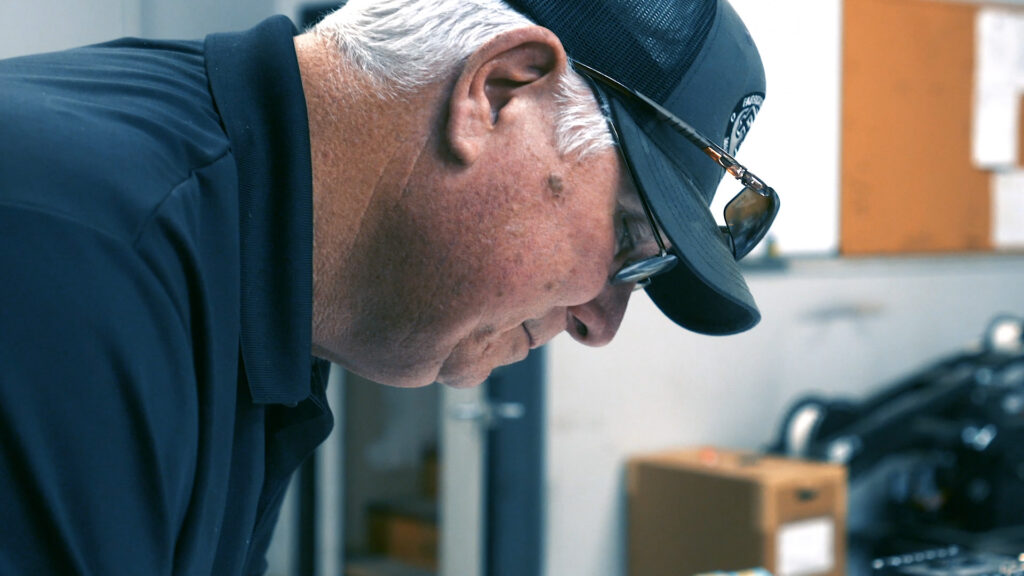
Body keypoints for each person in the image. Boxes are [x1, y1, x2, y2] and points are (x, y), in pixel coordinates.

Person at [0, 0, 778, 573]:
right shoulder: (85, 264)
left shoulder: (253, 287)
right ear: (499, 91)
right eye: (628, 238)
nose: (600, 324)